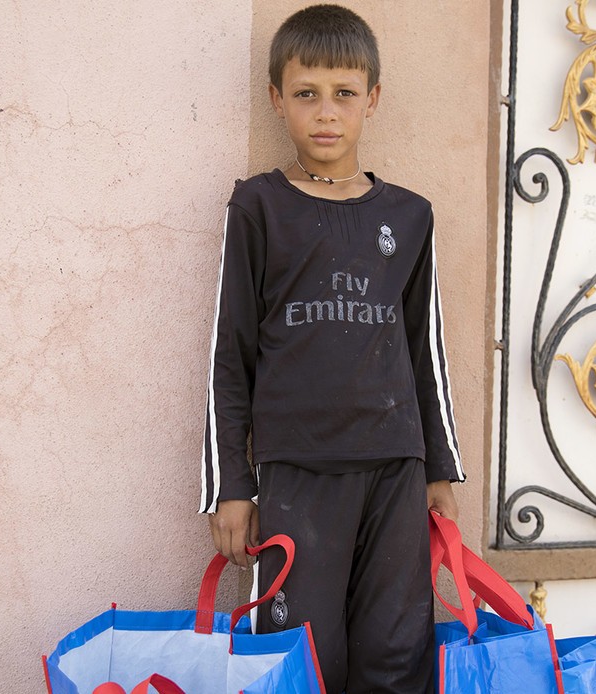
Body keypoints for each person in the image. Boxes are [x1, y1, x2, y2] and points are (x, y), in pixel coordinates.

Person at [200, 5, 465, 692]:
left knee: (395, 654)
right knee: (300, 659)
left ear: (371, 99)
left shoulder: (408, 216)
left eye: (344, 94)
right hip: (297, 474)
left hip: (395, 475)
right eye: (306, 93)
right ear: (276, 100)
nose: (326, 113)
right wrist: (232, 484)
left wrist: (440, 467)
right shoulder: (257, 208)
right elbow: (229, 356)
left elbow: (422, 345)